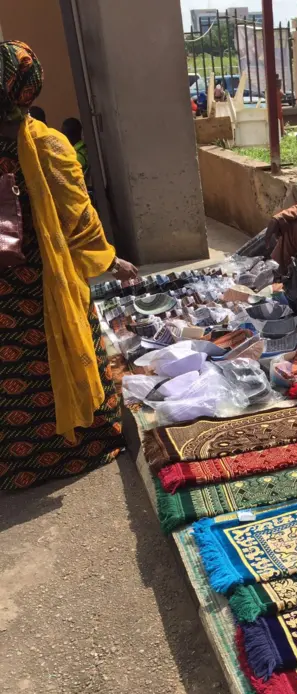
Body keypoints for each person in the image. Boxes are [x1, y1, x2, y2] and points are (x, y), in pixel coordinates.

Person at [0, 41, 138, 490]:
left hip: (18, 288)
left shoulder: (46, 146)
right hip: (44, 283)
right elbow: (78, 218)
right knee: (62, 354)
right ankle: (78, 446)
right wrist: (108, 259)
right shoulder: (47, 146)